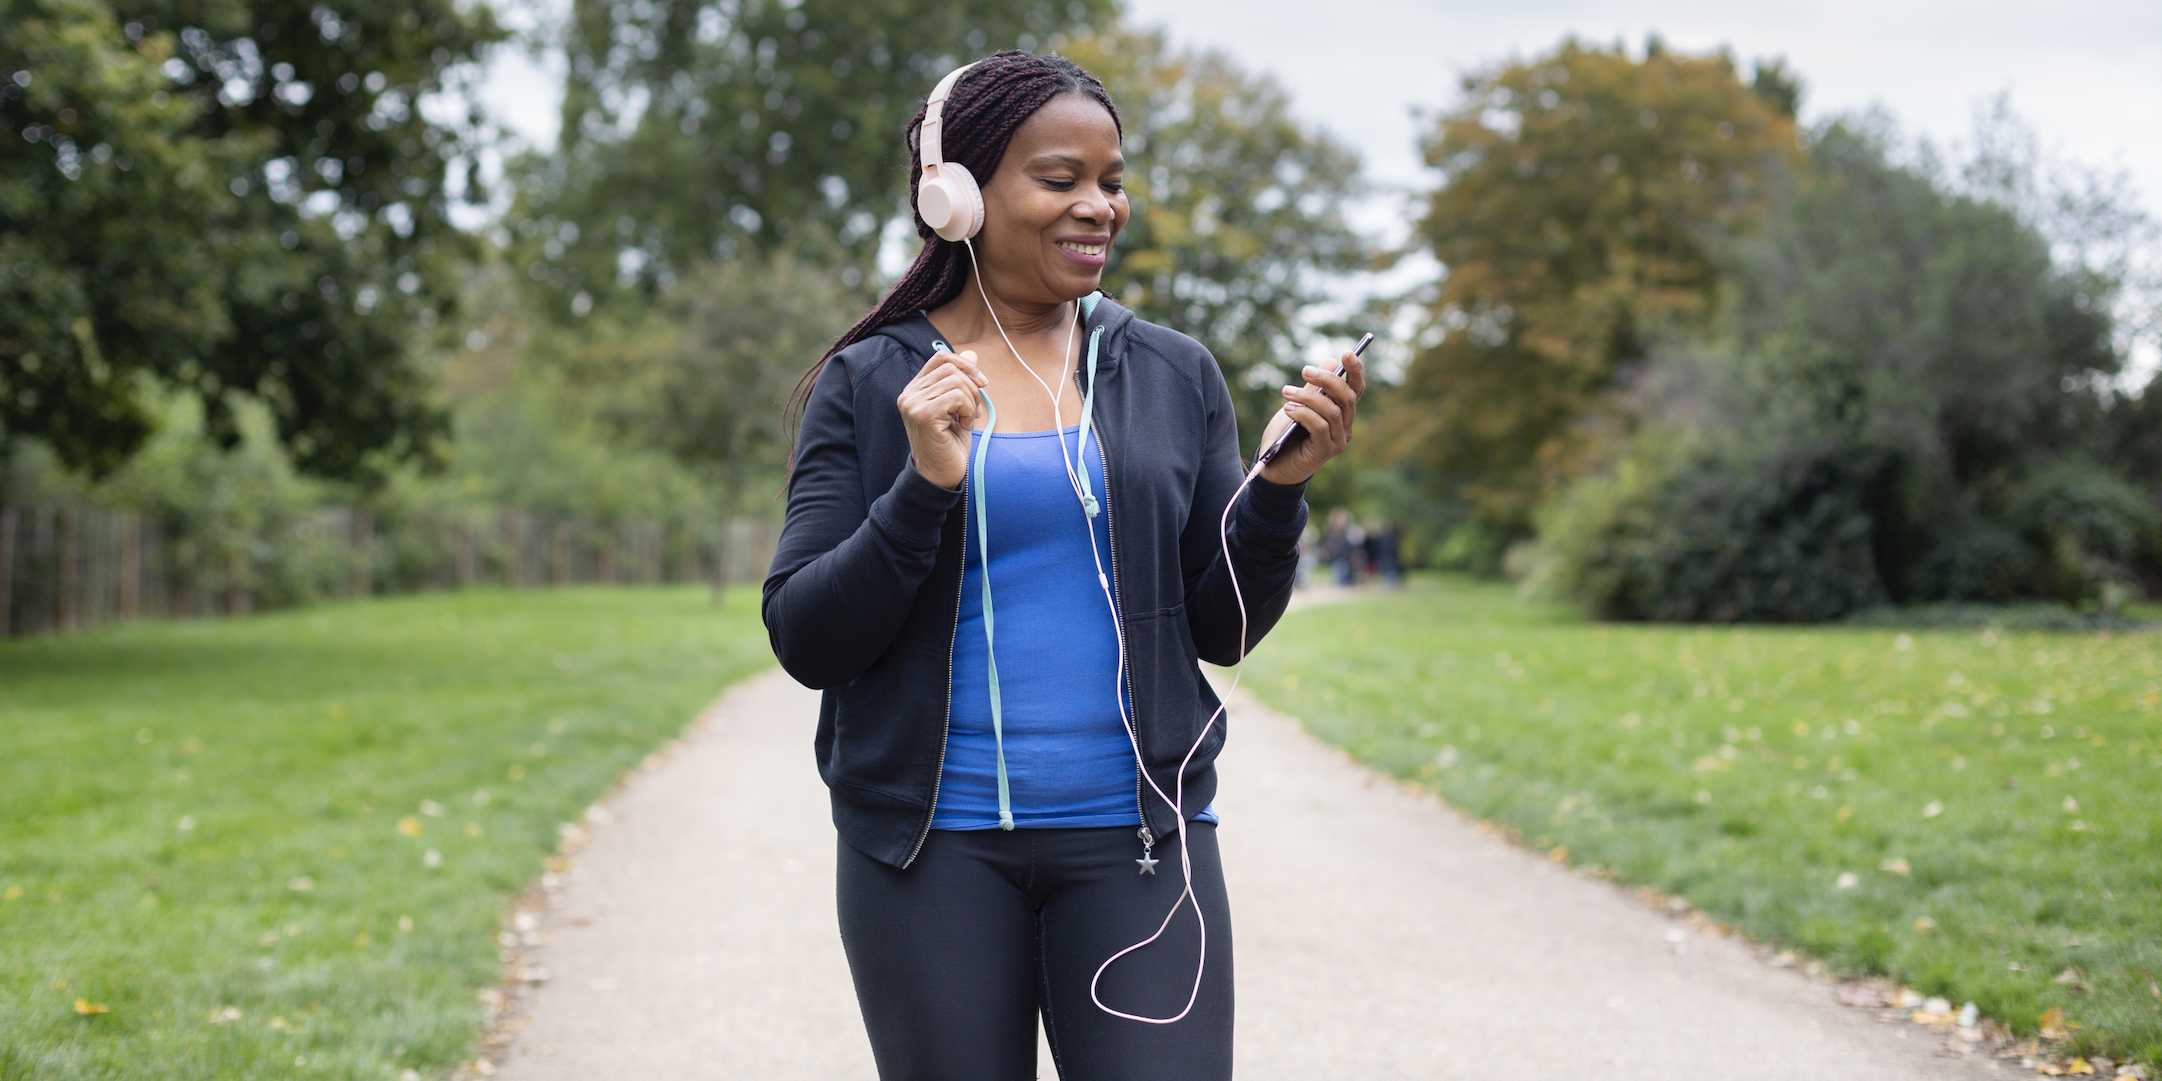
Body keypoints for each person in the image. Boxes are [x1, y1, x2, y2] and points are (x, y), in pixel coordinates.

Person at [761, 51, 1364, 1081]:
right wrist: (923, 487)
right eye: (1060, 179)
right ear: (955, 195)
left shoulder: (1172, 373)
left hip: (1138, 847)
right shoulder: (871, 383)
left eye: (1112, 182)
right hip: (928, 852)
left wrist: (1274, 494)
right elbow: (807, 636)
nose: (1099, 207)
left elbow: (1223, 627)